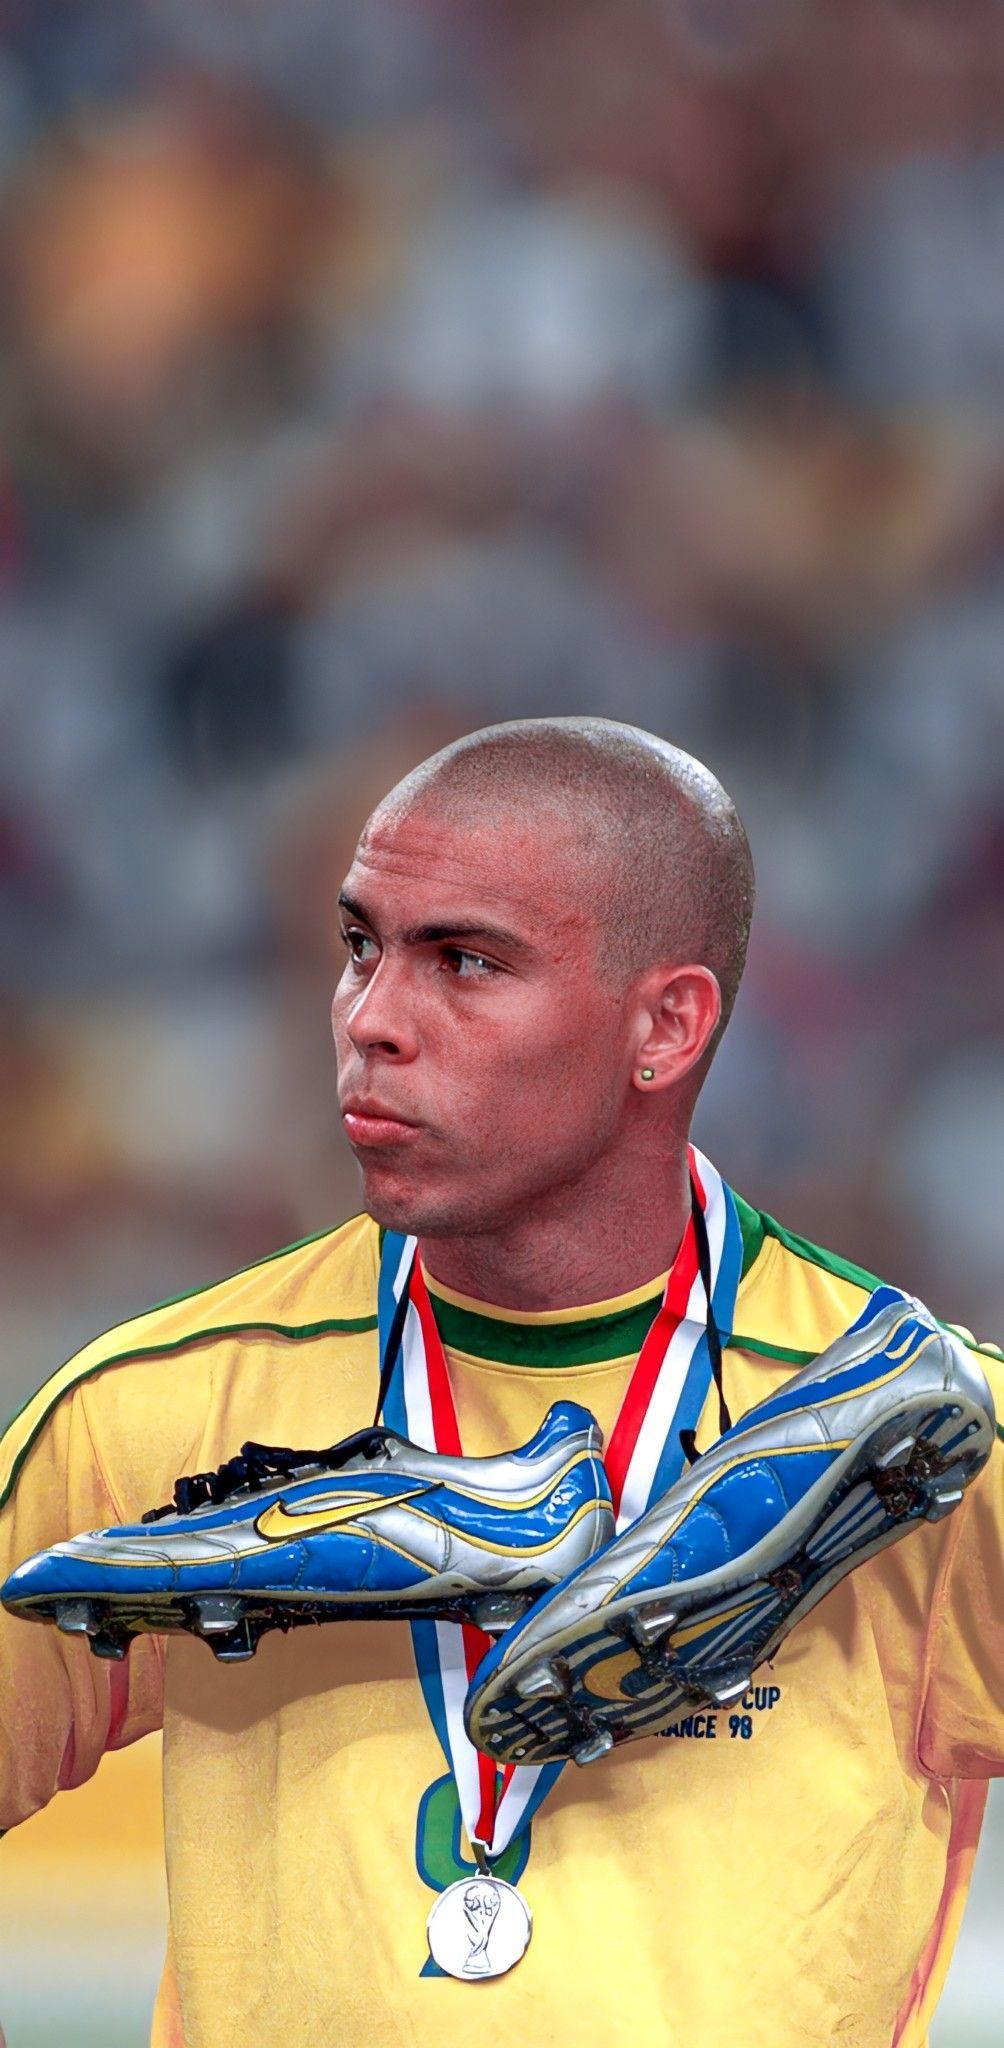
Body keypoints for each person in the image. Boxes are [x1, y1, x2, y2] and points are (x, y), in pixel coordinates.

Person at [1, 716, 1001, 2048]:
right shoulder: (156, 1410)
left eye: (465, 962)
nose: (371, 1020)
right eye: (360, 946)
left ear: (667, 1025)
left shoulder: (936, 1444)